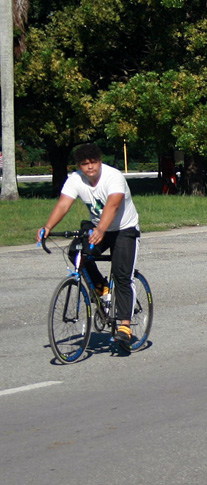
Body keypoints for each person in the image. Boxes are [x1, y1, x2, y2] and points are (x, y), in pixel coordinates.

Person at [38, 143, 141, 349]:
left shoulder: (113, 177)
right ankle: (101, 288)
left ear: (100, 162)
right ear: (79, 166)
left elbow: (113, 205)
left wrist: (101, 229)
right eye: (84, 164)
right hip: (98, 228)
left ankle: (125, 327)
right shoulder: (75, 179)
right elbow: (64, 204)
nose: (90, 167)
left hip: (124, 229)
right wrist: (47, 227)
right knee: (76, 252)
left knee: (122, 275)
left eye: (93, 162)